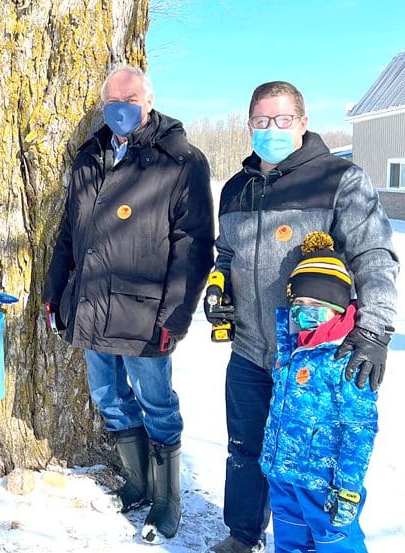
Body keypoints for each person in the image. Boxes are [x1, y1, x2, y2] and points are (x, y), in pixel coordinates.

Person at [204, 81, 398, 553]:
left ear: (303, 123)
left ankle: (330, 543)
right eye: (262, 121)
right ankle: (243, 532)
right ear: (250, 125)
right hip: (250, 348)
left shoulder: (339, 180)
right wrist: (217, 288)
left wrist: (374, 329)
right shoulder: (236, 188)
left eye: (282, 119)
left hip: (320, 359)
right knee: (247, 450)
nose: (271, 129)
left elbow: (374, 255)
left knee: (319, 468)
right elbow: (226, 254)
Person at [43, 65, 214, 543]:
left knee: (156, 403)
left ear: (149, 101)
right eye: (112, 100)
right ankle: (137, 483)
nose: (121, 108)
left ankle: (167, 500)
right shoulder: (89, 155)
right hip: (92, 304)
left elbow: (194, 244)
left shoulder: (180, 160)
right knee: (108, 399)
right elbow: (69, 234)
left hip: (147, 313)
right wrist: (55, 292)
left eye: (131, 98)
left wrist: (175, 316)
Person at [261, 231, 378, 553]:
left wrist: (348, 488)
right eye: (298, 303)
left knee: (337, 545)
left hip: (324, 484)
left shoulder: (348, 358)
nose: (304, 311)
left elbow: (360, 428)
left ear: (338, 308)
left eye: (316, 304)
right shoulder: (292, 347)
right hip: (283, 476)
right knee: (289, 543)